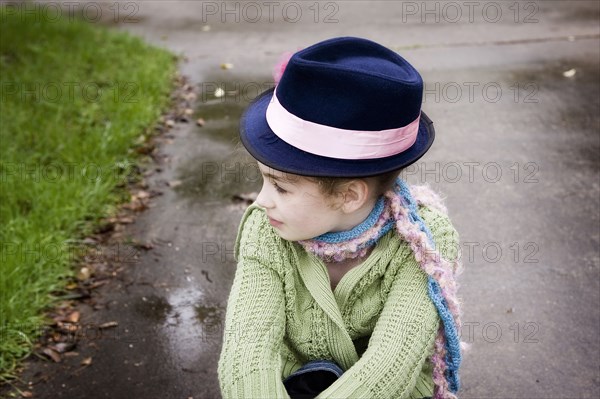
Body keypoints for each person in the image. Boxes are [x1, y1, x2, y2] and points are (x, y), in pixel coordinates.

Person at [217, 36, 464, 399]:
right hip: (294, 383)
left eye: (281, 188)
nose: (261, 201)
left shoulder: (424, 243)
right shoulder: (266, 229)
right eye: (262, 179)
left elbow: (390, 367)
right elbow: (247, 352)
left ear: (349, 196)